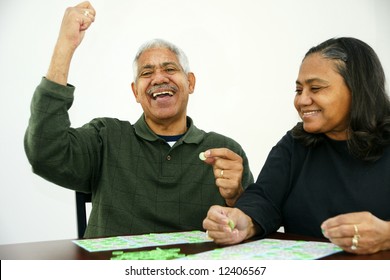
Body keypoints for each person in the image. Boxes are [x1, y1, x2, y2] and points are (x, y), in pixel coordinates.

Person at [24, 1, 253, 238]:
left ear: (191, 83)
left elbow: (252, 228)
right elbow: (44, 151)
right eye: (146, 73)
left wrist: (236, 195)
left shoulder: (225, 152)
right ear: (135, 92)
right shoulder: (106, 138)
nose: (158, 78)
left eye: (170, 69)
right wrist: (65, 46)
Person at [203, 37, 390, 255]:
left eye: (316, 88)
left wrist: (386, 235)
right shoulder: (295, 143)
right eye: (299, 90)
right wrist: (243, 221)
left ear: (357, 89)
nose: (302, 101)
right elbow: (264, 197)